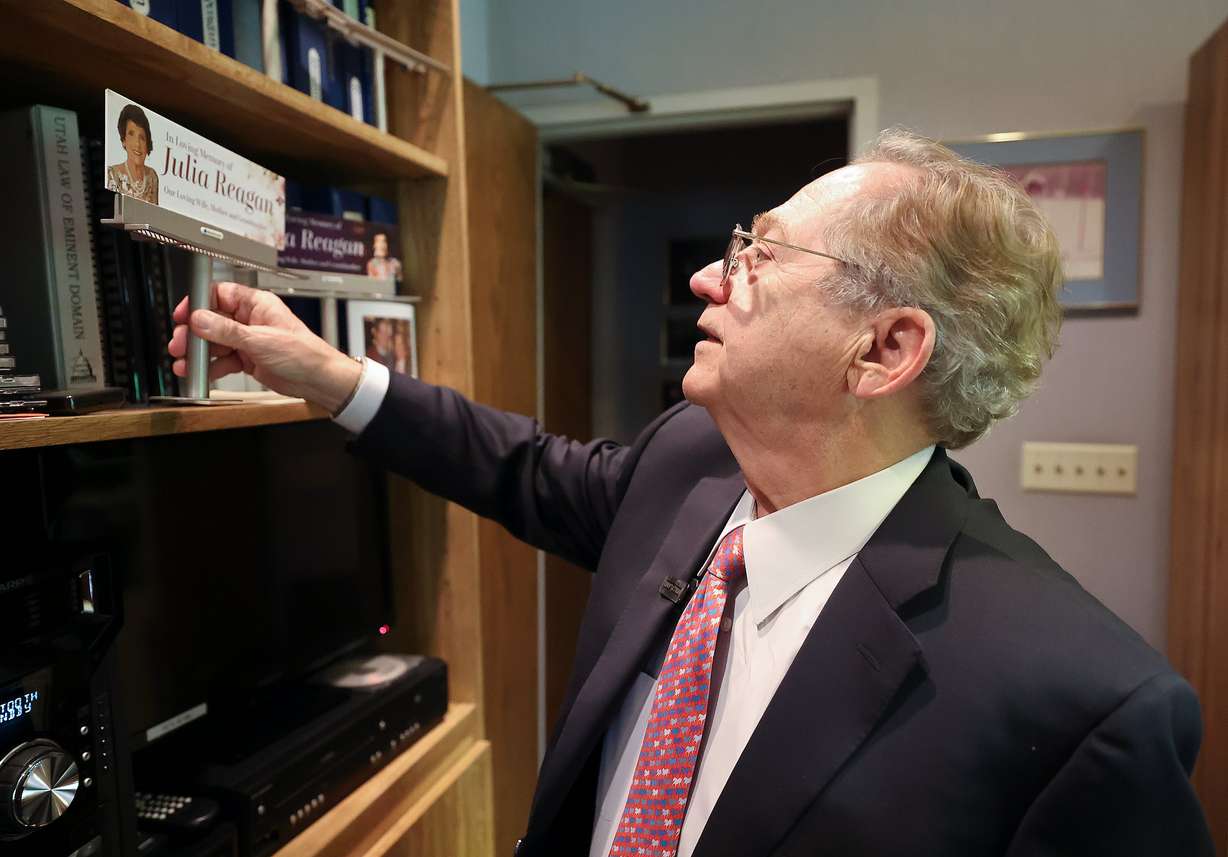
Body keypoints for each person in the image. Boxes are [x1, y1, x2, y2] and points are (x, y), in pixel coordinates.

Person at [168, 129, 1212, 856]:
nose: (708, 279)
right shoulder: (688, 458)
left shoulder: (1085, 705)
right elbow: (520, 468)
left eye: (757, 251)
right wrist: (326, 372)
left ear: (884, 348)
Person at [106, 103, 159, 205]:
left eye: (142, 137)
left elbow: (155, 218)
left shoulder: (152, 177)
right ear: (123, 140)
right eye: (131, 134)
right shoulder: (113, 174)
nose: (137, 144)